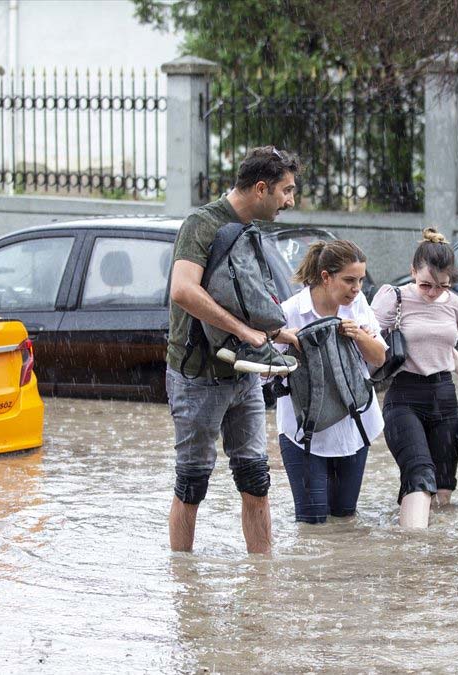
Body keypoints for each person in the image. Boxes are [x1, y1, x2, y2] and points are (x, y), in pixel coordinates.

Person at [165, 146, 301, 554]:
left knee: (256, 480)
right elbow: (183, 290)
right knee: (192, 484)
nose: (290, 201)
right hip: (197, 376)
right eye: (286, 191)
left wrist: (278, 333)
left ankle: (262, 582)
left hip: (244, 373)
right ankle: (184, 590)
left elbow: (243, 297)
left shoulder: (251, 231)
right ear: (261, 188)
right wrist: (243, 330)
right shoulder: (201, 225)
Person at [371, 227, 458, 529]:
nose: (433, 293)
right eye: (425, 285)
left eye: (442, 286)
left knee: (443, 489)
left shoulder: (456, 306)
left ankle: (436, 563)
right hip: (404, 398)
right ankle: (413, 555)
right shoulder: (392, 299)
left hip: (445, 398)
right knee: (420, 475)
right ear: (412, 271)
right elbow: (367, 340)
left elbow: (446, 349)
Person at [273, 240, 386, 524]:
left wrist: (359, 335)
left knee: (345, 522)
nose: (357, 288)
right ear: (326, 276)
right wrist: (289, 340)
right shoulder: (290, 312)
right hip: (303, 435)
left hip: (354, 428)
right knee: (312, 525)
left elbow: (379, 358)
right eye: (349, 280)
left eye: (360, 280)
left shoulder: (357, 305)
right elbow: (265, 371)